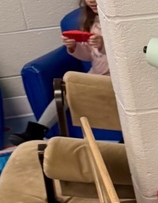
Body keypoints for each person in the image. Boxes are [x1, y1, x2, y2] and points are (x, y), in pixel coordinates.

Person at [9, 0, 109, 145]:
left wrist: (103, 44)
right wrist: (74, 46)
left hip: (112, 78)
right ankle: (37, 130)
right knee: (66, 86)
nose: (92, 1)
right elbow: (89, 55)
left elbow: (121, 54)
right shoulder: (92, 20)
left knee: (70, 84)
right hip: (96, 75)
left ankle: (37, 130)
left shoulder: (115, 20)